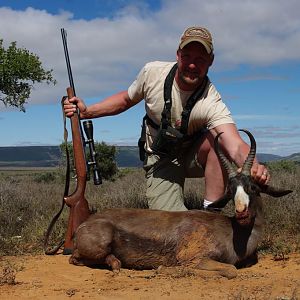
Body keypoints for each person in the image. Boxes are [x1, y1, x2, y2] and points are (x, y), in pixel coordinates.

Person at [64, 26, 270, 211]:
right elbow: (126, 99)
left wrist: (254, 165)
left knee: (217, 142)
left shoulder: (211, 100)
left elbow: (234, 144)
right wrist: (87, 112)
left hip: (192, 155)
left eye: (200, 59)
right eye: (187, 56)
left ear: (211, 62)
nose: (192, 65)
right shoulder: (152, 73)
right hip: (160, 156)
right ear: (178, 55)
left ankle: (211, 215)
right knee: (172, 225)